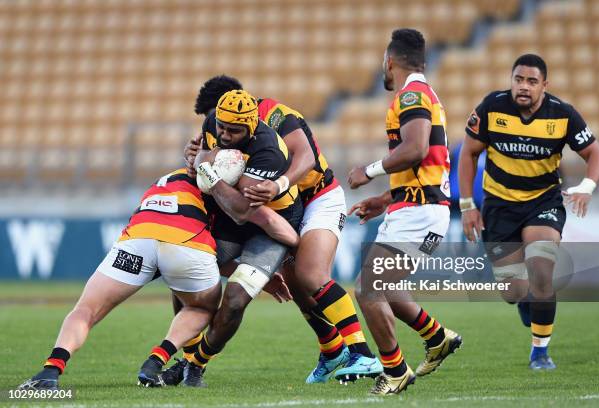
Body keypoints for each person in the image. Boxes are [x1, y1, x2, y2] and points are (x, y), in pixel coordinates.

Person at [18, 167, 298, 390]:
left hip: (138, 238)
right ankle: (156, 360)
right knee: (201, 307)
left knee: (86, 310)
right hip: (187, 244)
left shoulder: (169, 176)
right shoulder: (220, 188)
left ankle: (50, 371)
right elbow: (263, 226)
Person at [181, 75, 380, 384]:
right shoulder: (216, 129)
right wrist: (197, 157)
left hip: (316, 196)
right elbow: (207, 162)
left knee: (310, 274)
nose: (219, 133)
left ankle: (362, 352)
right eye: (215, 123)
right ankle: (331, 349)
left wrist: (278, 183)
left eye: (225, 125)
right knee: (294, 286)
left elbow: (307, 157)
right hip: (275, 209)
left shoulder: (275, 117)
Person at [459, 53, 599, 370]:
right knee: (513, 290)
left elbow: (594, 152)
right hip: (499, 206)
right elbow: (468, 153)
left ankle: (540, 352)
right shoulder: (491, 107)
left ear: (544, 85)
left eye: (531, 81)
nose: (523, 87)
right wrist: (468, 205)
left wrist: (587, 185)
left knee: (541, 270)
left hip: (543, 202)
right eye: (518, 79)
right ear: (511, 80)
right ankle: (529, 302)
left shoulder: (563, 115)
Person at [164, 89, 305, 387]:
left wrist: (207, 170)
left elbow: (242, 209)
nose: (225, 135)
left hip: (269, 225)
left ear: (252, 126)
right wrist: (196, 160)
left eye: (234, 130)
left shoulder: (269, 150)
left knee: (237, 299)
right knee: (187, 272)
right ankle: (187, 356)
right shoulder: (214, 121)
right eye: (222, 128)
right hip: (229, 220)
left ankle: (196, 365)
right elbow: (198, 163)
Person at [347, 29, 462, 395]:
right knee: (384, 287)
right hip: (417, 207)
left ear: (390, 61)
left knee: (368, 289)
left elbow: (415, 148)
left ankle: (395, 371)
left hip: (421, 212)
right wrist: (386, 198)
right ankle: (437, 336)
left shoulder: (412, 94)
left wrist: (369, 171)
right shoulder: (422, 93)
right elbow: (424, 162)